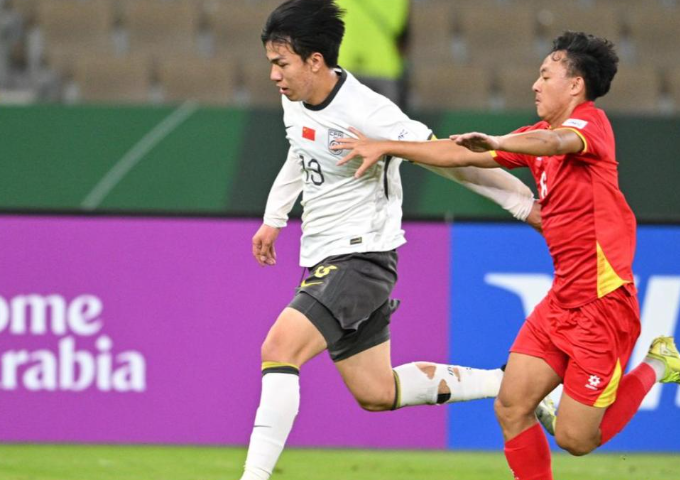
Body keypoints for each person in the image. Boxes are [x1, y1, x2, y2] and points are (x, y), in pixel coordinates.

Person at [333, 31, 680, 480]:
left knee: (576, 439)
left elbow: (556, 144)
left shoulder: (591, 125)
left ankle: (659, 363)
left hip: (603, 307)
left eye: (546, 76)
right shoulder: (536, 136)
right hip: (561, 303)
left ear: (575, 85)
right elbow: (458, 154)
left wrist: (498, 141)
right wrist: (388, 148)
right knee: (512, 406)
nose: (535, 85)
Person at [240, 2, 550, 480]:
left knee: (279, 349)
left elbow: (447, 157)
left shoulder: (369, 112)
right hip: (326, 255)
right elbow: (300, 149)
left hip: (359, 258)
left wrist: (521, 203)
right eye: (271, 64)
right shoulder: (294, 98)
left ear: (315, 61)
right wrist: (274, 217)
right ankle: (516, 384)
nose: (274, 76)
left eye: (281, 64)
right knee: (377, 392)